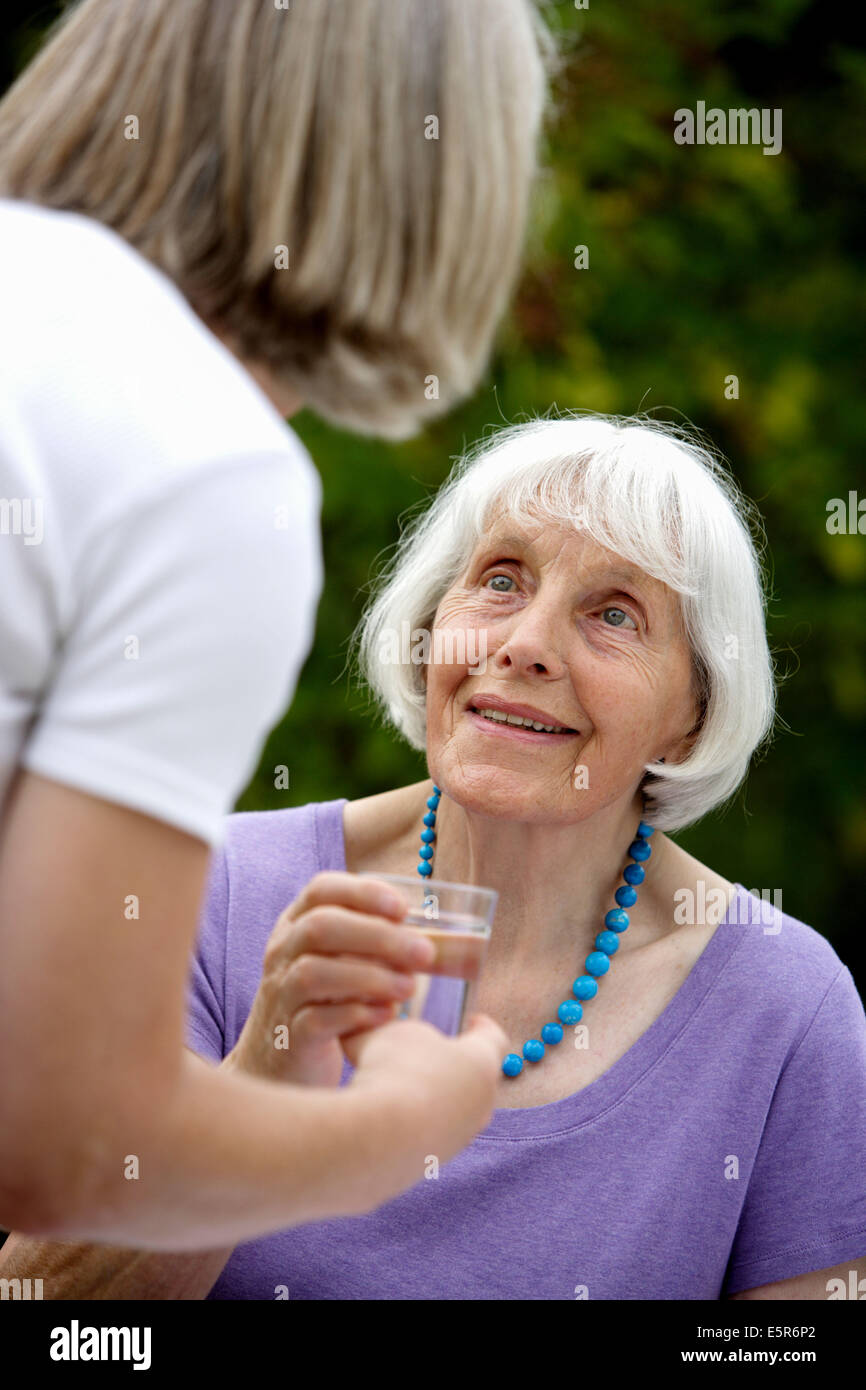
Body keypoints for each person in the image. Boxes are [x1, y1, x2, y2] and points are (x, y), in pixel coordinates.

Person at [5, 412, 864, 1299]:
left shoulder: (786, 1007)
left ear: (692, 716)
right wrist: (268, 1069)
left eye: (614, 614)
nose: (524, 645)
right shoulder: (204, 890)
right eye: (501, 580)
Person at [0, 0, 555, 1245]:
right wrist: (395, 1129)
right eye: (499, 580)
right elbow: (58, 1137)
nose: (526, 646)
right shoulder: (197, 456)